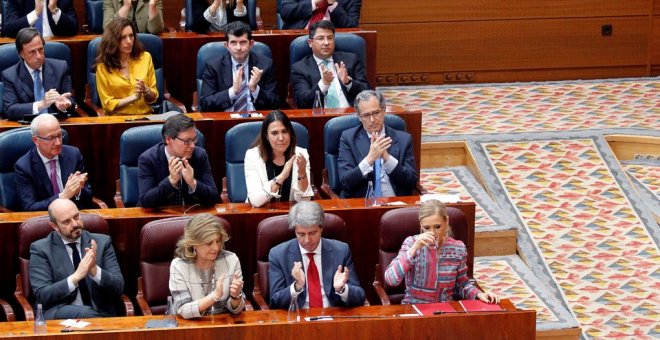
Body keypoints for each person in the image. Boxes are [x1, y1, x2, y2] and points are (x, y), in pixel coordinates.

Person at [384, 200, 500, 304]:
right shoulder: (411, 243)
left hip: (445, 311)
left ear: (446, 221)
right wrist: (413, 249)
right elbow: (391, 279)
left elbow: (462, 284)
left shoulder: (458, 248)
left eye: (437, 226)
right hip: (414, 310)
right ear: (421, 225)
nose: (433, 232)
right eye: (427, 228)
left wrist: (479, 294)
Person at [29, 198, 125, 319]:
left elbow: (119, 287)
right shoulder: (41, 249)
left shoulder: (102, 242)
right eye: (66, 222)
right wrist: (76, 277)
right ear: (54, 226)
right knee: (88, 314)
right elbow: (42, 295)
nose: (75, 224)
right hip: (60, 312)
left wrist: (95, 271)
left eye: (76, 217)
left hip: (99, 312)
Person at [268, 201, 365, 309]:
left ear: (321, 228)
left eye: (312, 233)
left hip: (332, 317)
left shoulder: (341, 251)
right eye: (301, 234)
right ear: (295, 231)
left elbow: (360, 297)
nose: (307, 240)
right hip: (298, 319)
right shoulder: (278, 255)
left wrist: (342, 289)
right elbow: (275, 302)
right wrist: (296, 286)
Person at [338, 90, 417, 198]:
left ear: (384, 110)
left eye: (376, 113)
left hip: (395, 203)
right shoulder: (348, 138)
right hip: (362, 206)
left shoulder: (403, 139)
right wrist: (370, 159)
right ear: (359, 117)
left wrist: (387, 158)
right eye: (366, 115)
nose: (372, 120)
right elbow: (345, 182)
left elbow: (411, 182)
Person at [169, 213, 246, 319]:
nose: (216, 248)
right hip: (189, 326)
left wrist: (235, 296)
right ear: (194, 243)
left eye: (218, 241)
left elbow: (237, 309)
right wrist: (214, 296)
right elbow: (183, 310)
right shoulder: (179, 266)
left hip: (222, 325)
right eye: (209, 243)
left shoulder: (231, 260)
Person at [15, 114, 93, 211]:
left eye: (59, 135)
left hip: (73, 215)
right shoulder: (24, 167)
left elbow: (88, 195)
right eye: (51, 138)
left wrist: (77, 191)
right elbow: (29, 207)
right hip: (44, 220)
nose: (58, 142)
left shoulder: (74, 155)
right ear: (36, 140)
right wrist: (63, 196)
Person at [138, 114, 219, 208]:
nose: (192, 145)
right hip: (160, 217)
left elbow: (213, 197)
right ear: (168, 139)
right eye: (187, 141)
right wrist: (171, 182)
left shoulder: (199, 155)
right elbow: (146, 202)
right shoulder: (148, 159)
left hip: (192, 216)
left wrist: (193, 183)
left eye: (194, 140)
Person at [199, 21, 278, 112]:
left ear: (251, 44)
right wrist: (233, 91)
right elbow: (205, 103)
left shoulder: (265, 64)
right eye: (233, 42)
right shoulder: (213, 66)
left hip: (257, 119)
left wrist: (255, 89)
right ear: (227, 45)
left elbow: (275, 103)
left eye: (243, 42)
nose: (238, 48)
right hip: (226, 119)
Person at [291, 20, 370, 109]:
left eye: (330, 38)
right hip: (320, 118)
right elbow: (302, 102)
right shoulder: (300, 68)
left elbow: (368, 93)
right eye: (321, 38)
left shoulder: (351, 59)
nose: (326, 43)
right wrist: (323, 84)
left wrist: (348, 82)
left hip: (351, 115)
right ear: (310, 43)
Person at [2, 28, 74, 121]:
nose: (39, 56)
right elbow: (10, 110)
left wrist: (65, 105)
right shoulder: (10, 76)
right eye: (32, 52)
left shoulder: (60, 67)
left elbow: (70, 99)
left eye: (40, 49)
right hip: (27, 127)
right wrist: (41, 104)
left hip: (56, 123)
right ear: (21, 54)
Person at [244, 111, 313, 207]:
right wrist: (282, 177)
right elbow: (256, 201)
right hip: (261, 213)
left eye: (284, 131)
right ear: (266, 136)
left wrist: (302, 174)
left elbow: (305, 200)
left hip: (291, 215)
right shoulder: (252, 156)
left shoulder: (301, 154)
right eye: (274, 133)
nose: (281, 138)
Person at [95, 17, 158, 116]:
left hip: (145, 118)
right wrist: (134, 98)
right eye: (123, 37)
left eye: (131, 36)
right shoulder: (103, 68)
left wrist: (146, 90)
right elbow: (107, 105)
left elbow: (153, 98)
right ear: (113, 40)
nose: (129, 41)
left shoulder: (145, 58)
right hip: (118, 121)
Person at [3, 0, 78, 38]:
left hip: (54, 46)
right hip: (27, 48)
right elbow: (9, 29)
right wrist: (36, 13)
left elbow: (73, 28)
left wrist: (54, 9)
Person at [280, 0, 360, 29]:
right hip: (298, 35)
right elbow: (285, 11)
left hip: (331, 42)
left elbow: (352, 26)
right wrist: (315, 2)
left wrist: (333, 5)